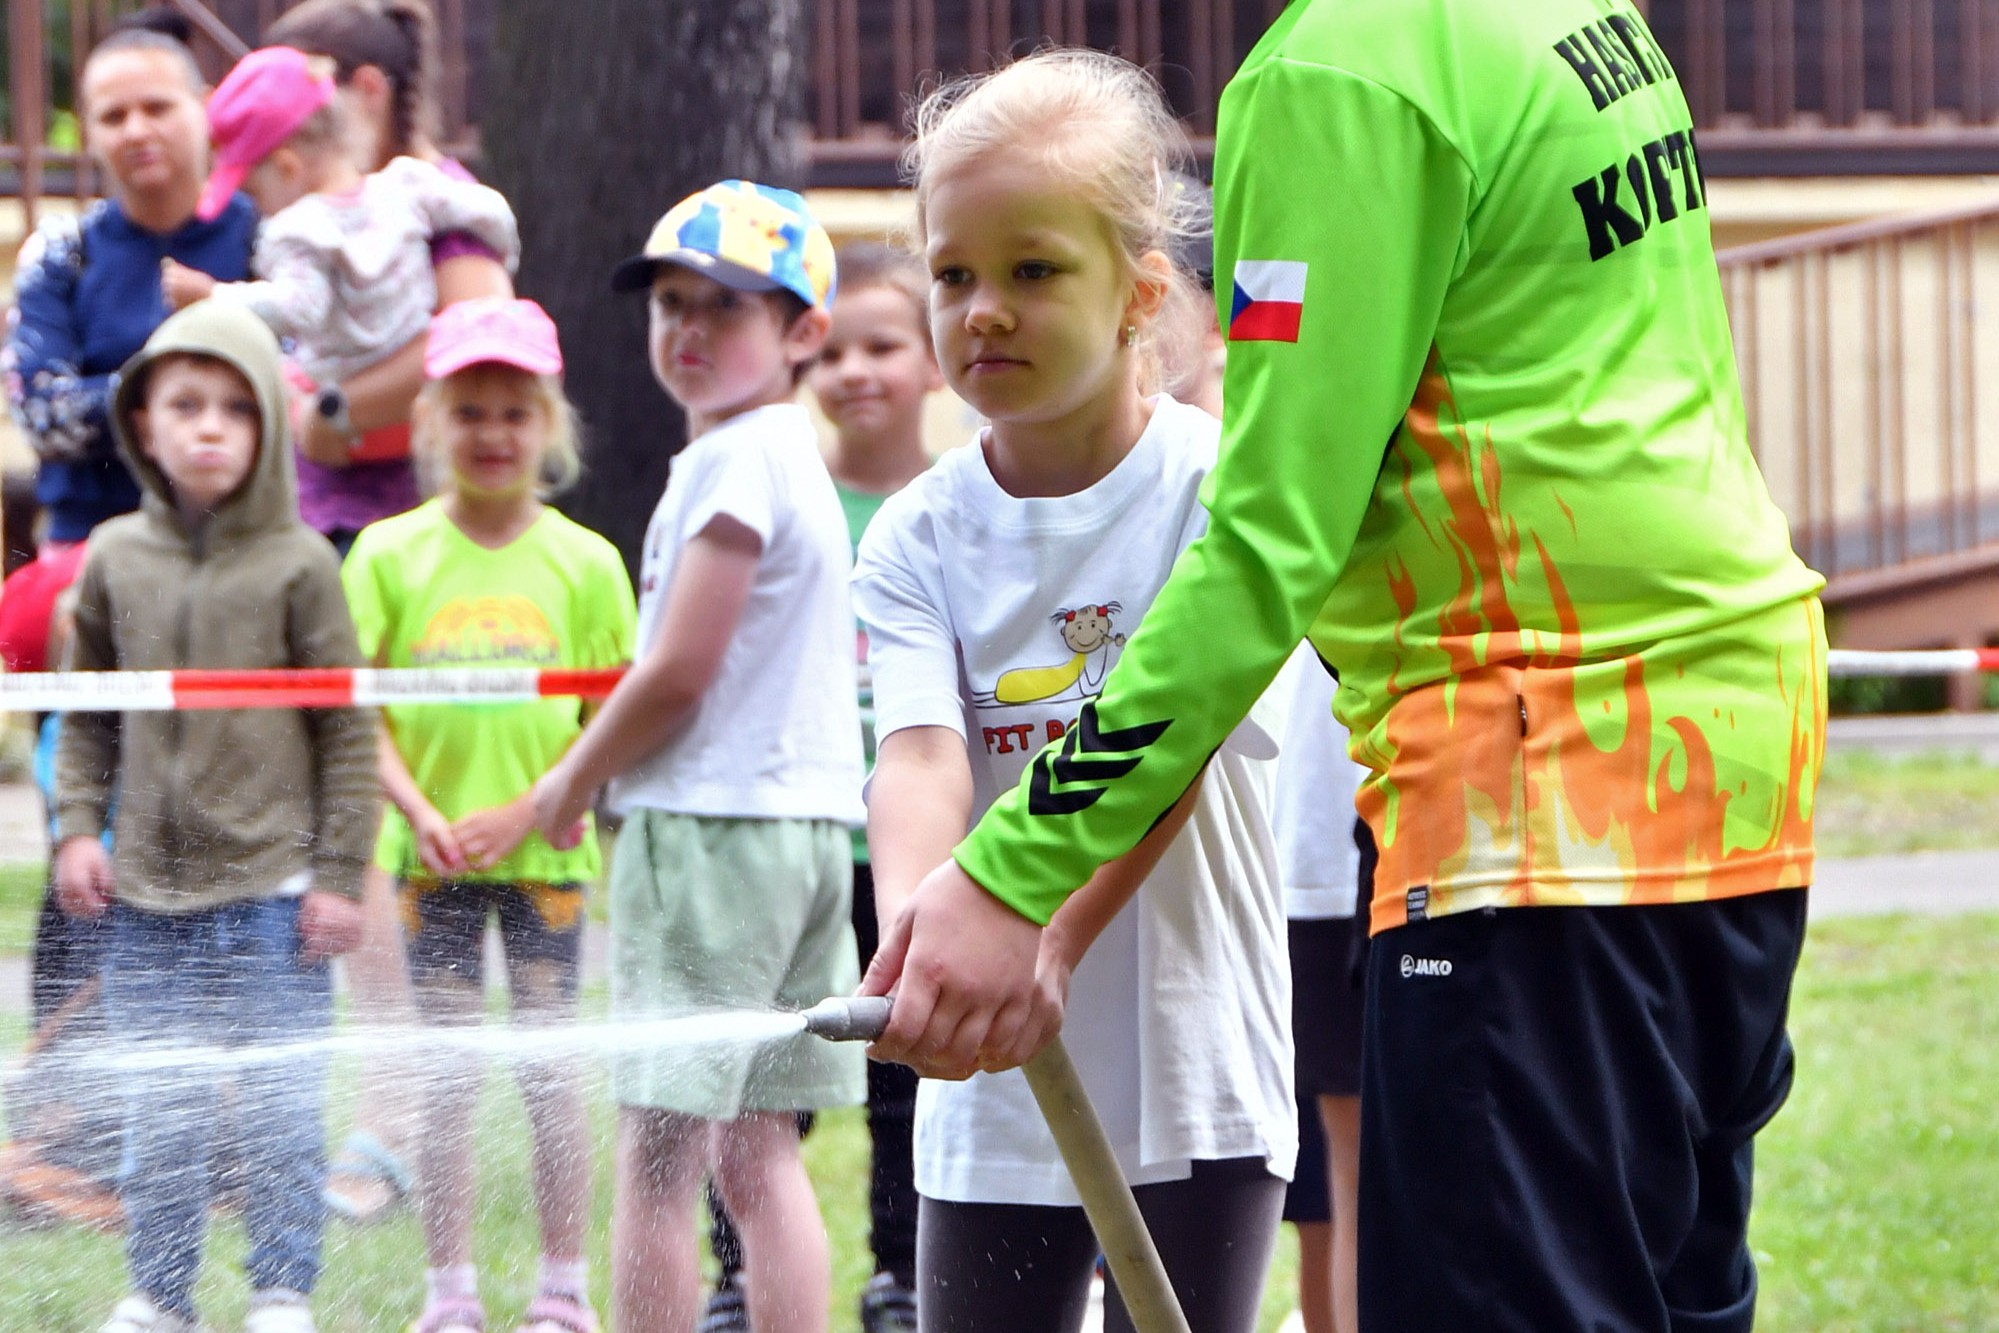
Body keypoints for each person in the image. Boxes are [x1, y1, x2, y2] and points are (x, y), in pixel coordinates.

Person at [867, 7, 1829, 1332]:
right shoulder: (1563, 17)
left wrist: (1010, 869)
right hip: (1729, 763)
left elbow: (1265, 538)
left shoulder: (1336, 69)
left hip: (1534, 793)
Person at [852, 51, 1294, 1333]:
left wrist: (1043, 940)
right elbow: (922, 758)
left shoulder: (1219, 497)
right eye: (952, 275)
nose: (982, 309)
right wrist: (924, 946)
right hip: (991, 1084)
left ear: (1139, 292)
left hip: (1190, 1063)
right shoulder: (914, 537)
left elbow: (1181, 740)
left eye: (1031, 271)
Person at [529, 180, 866, 1333]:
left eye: (723, 308)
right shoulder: (788, 457)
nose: (686, 328)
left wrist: (571, 779)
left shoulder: (730, 463)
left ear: (801, 332)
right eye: (671, 302)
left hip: (713, 835)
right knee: (759, 1156)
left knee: (661, 1162)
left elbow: (679, 671)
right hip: (806, 834)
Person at [52, 299, 376, 1333]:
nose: (208, 428)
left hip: (277, 902)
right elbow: (89, 717)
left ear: (269, 429)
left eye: (236, 409)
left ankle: (280, 1291)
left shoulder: (301, 563)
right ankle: (159, 1296)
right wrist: (73, 828)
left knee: (283, 1116)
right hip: (147, 900)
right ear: (143, 421)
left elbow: (348, 735)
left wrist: (335, 875)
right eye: (184, 405)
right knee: (164, 1119)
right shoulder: (112, 559)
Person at [260, 0, 518, 1225]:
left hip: (421, 543)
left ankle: (404, 1113)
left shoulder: (437, 195)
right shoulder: (305, 205)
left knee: (394, 816)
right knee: (336, 819)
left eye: (299, 78)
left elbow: (472, 345)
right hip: (319, 538)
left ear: (362, 84)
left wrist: (324, 410)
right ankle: (366, 1097)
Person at [0, 10, 258, 1227]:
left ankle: (215, 1150)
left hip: (240, 589)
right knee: (86, 844)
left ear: (204, 112)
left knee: (232, 853)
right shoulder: (56, 259)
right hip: (86, 596)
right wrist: (206, 374)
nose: (136, 130)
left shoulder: (270, 233)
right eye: (110, 113)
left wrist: (149, 381)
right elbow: (42, 411)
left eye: (158, 103)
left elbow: (303, 380)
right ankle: (50, 1150)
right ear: (89, 134)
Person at [340, 297, 631, 1333]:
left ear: (548, 424)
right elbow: (358, 707)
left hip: (546, 854)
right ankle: (450, 1291)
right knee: (451, 1079)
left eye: (515, 411)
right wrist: (417, 809)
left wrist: (537, 807)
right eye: (470, 411)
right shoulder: (386, 554)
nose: (494, 433)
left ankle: (562, 1289)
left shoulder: (587, 563)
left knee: (552, 1074)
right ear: (432, 423)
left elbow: (612, 723)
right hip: (430, 857)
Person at [161, 47, 519, 421]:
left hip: (348, 407)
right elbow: (487, 211)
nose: (257, 208)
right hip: (415, 402)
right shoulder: (407, 185)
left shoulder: (297, 232)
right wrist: (503, 255)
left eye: (253, 192)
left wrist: (213, 296)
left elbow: (298, 310)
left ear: (287, 168)